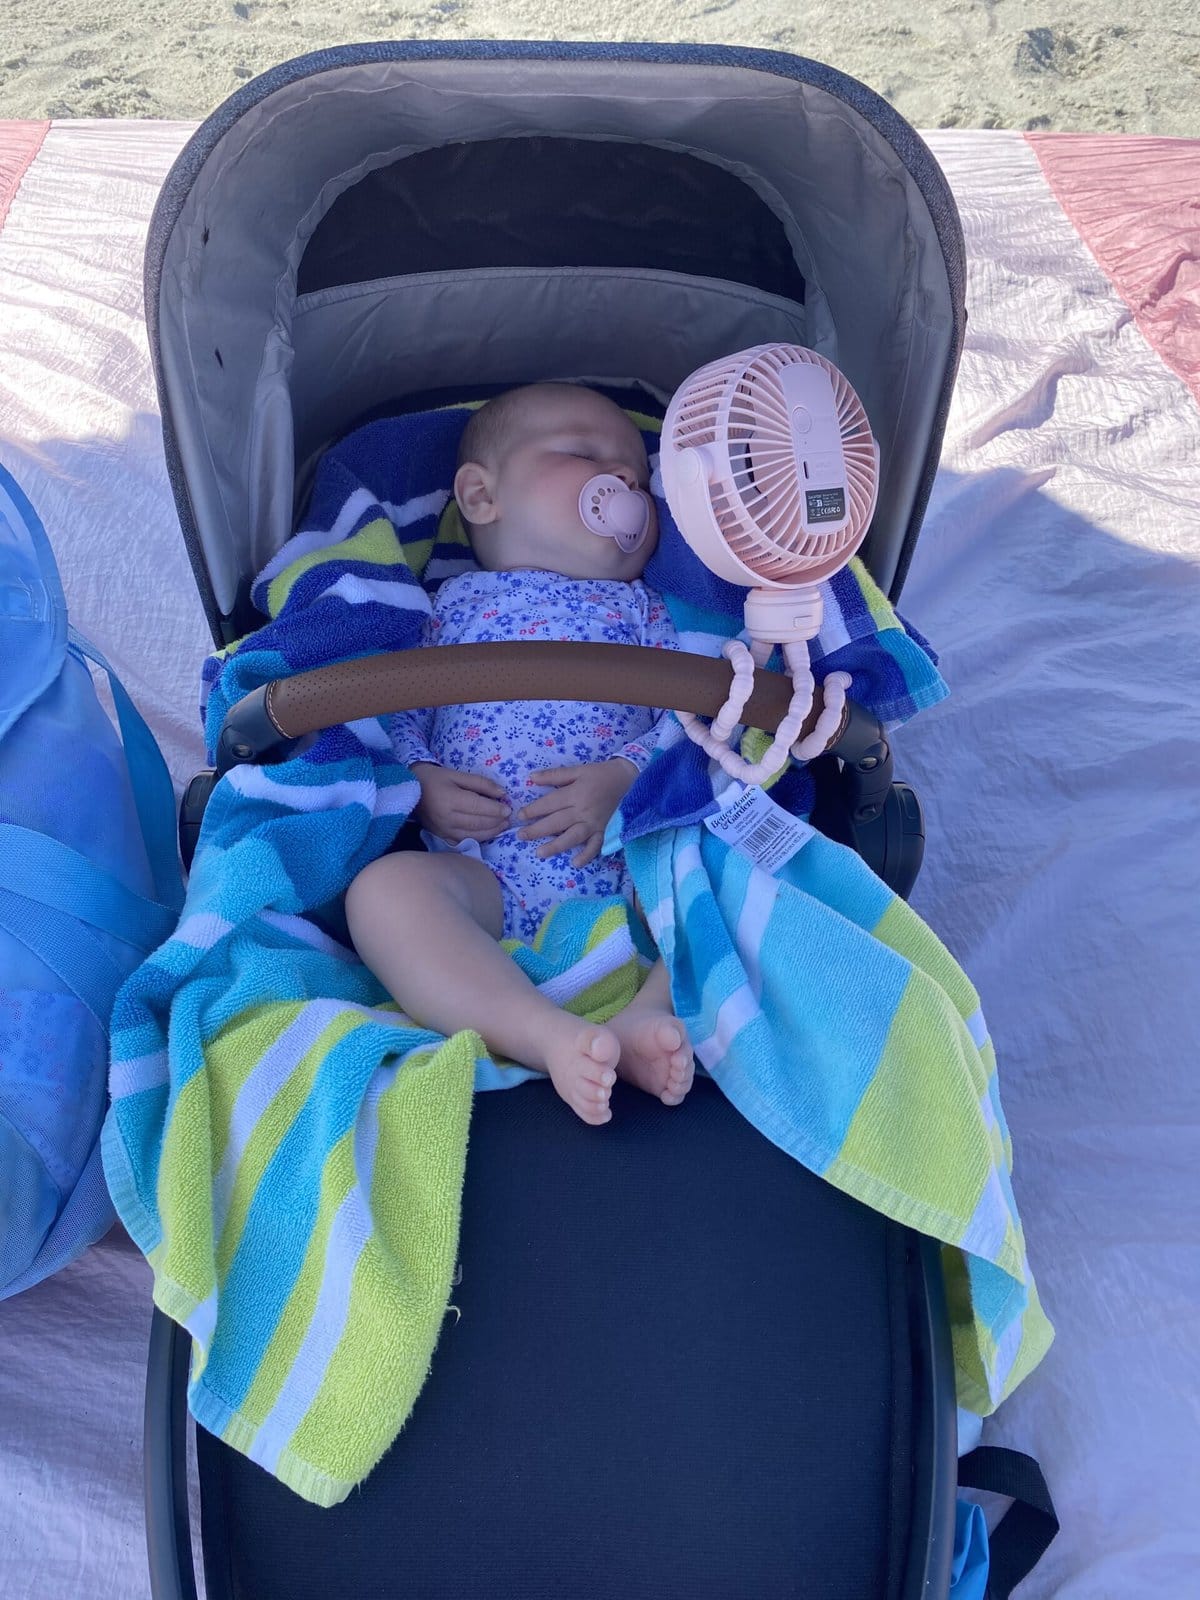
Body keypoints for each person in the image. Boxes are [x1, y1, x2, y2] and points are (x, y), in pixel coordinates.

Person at [345, 383, 694, 1126]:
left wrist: (630, 780)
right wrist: (422, 780)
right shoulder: (444, 608)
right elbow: (397, 708)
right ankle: (544, 1035)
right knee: (382, 895)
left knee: (727, 874)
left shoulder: (646, 612)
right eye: (584, 454)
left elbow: (698, 715)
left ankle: (644, 1015)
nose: (625, 484)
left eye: (638, 477)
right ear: (480, 495)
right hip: (484, 884)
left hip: (630, 874)